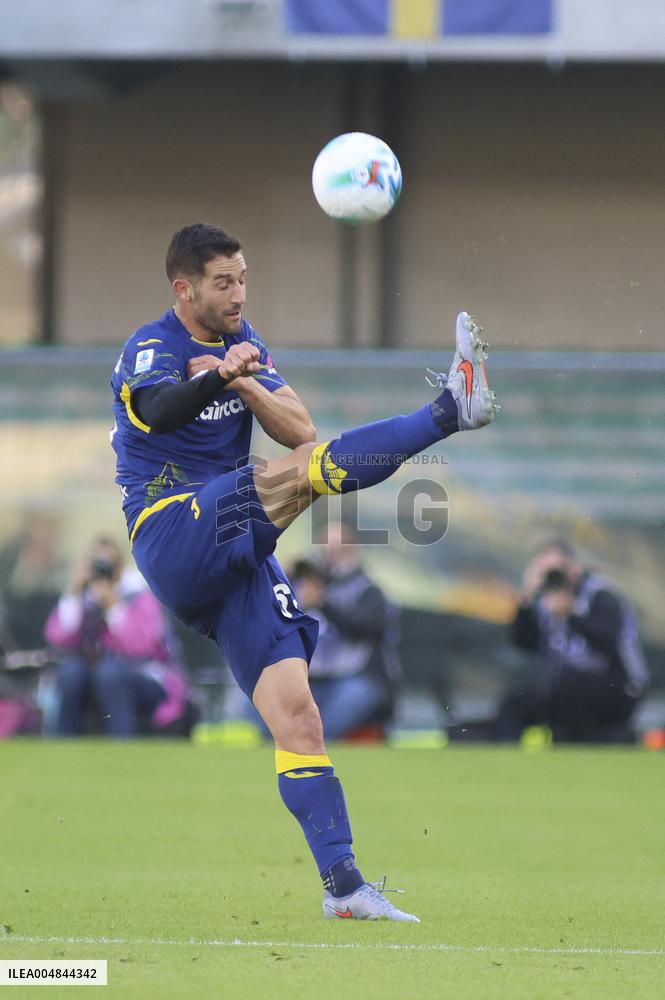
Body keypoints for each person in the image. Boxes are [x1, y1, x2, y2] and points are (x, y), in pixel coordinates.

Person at [110, 222, 499, 921]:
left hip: (233, 552)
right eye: (223, 282)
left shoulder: (241, 337)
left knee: (299, 718)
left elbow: (301, 427)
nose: (237, 293)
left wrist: (246, 379)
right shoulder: (150, 348)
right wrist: (221, 376)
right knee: (293, 477)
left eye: (243, 277)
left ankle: (344, 888)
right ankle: (448, 409)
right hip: (172, 528)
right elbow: (162, 412)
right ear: (184, 288)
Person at [496, 539, 649, 743]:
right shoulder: (545, 601)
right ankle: (509, 762)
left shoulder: (601, 594)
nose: (555, 579)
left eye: (559, 570)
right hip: (565, 689)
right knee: (514, 704)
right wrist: (526, 598)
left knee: (568, 691)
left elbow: (609, 642)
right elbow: (522, 642)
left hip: (617, 687)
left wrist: (571, 614)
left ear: (574, 568)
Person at [44, 537, 188, 738]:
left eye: (108, 566)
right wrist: (74, 593)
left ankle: (121, 745)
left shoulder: (140, 596)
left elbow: (139, 647)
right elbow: (58, 638)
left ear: (119, 569)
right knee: (70, 672)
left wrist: (113, 606)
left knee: (109, 673)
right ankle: (63, 745)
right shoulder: (84, 600)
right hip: (97, 673)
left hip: (144, 675)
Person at [295, 523, 400, 739]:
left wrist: (324, 604)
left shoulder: (369, 591)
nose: (331, 559)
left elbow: (364, 628)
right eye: (325, 552)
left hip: (352, 679)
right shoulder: (304, 588)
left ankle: (316, 746)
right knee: (258, 698)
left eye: (338, 552)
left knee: (354, 697)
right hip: (310, 679)